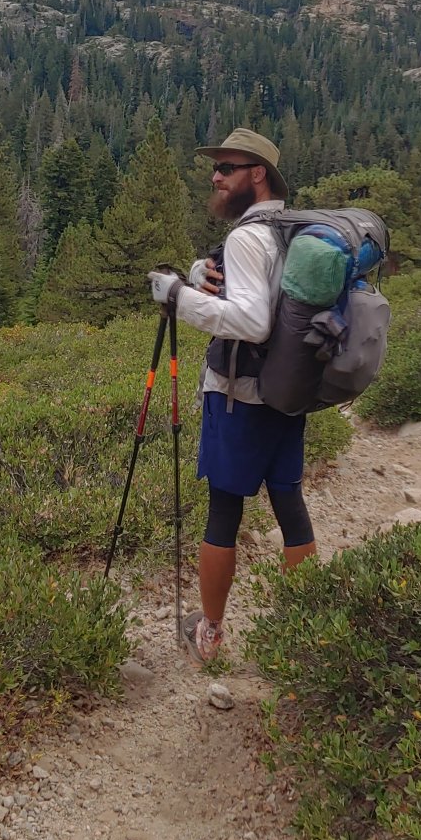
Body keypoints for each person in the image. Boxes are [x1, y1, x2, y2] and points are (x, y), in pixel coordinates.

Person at [148, 128, 317, 663]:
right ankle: (307, 628)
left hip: (238, 397)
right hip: (288, 391)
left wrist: (178, 297)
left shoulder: (247, 237)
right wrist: (202, 274)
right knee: (289, 503)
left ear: (257, 174)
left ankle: (211, 632)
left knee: (224, 510)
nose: (215, 178)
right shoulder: (291, 230)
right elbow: (259, 293)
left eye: (227, 168)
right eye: (215, 168)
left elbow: (251, 321)